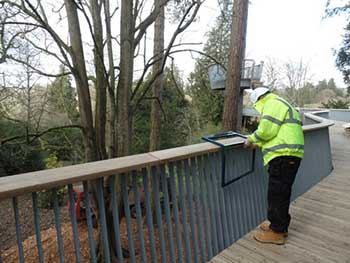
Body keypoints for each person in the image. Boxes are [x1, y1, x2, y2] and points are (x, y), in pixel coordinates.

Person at [244, 87, 304, 245]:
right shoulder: (280, 102)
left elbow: (266, 129)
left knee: (277, 194)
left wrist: (250, 140)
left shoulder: (272, 104)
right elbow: (275, 132)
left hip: (284, 155)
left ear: (259, 100)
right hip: (288, 155)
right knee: (281, 193)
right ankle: (278, 226)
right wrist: (258, 143)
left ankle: (277, 232)